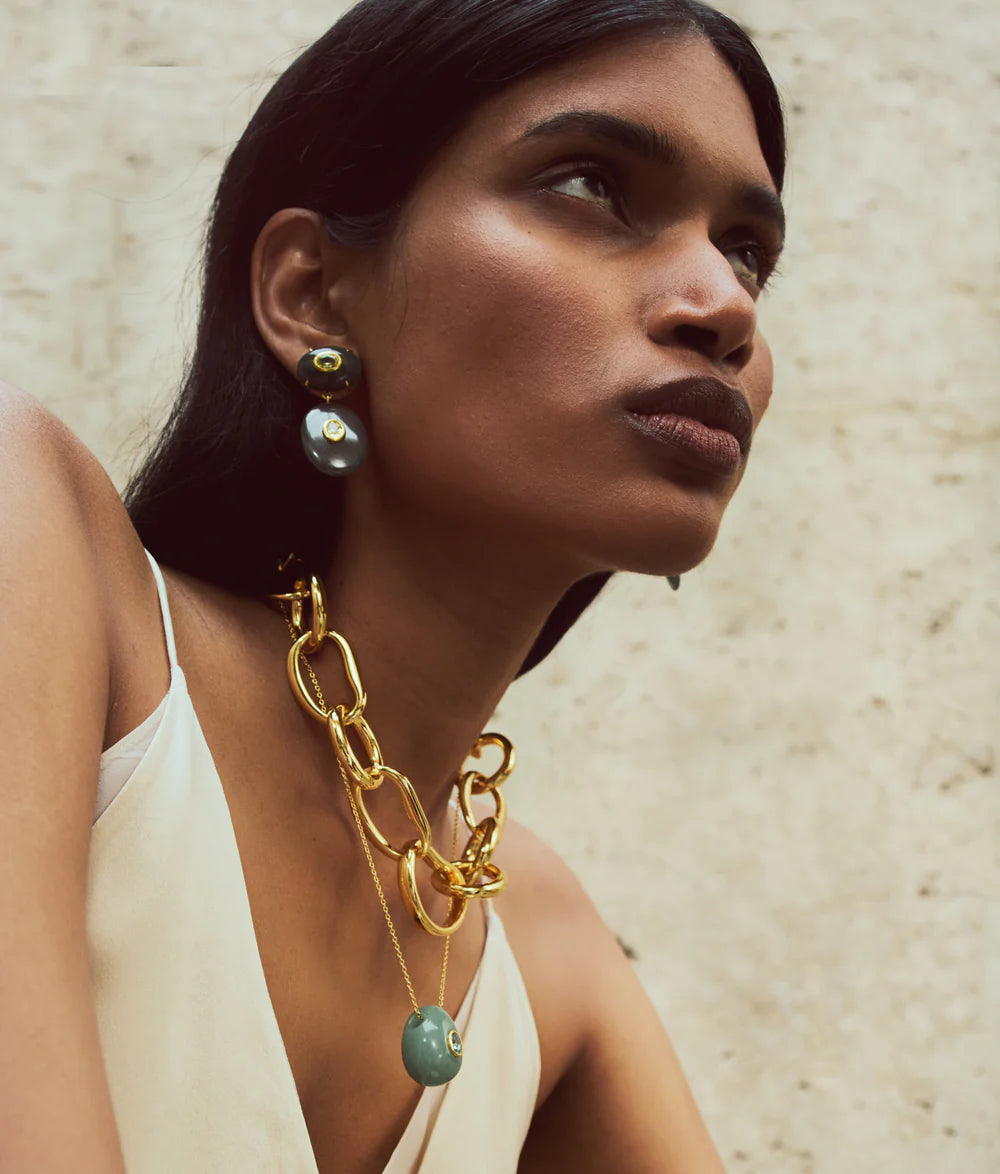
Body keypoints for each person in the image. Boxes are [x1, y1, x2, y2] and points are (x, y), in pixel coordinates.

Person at [0, 0, 786, 1169]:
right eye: (592, 186)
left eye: (745, 250)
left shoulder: (537, 937)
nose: (723, 305)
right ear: (313, 294)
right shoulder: (45, 553)